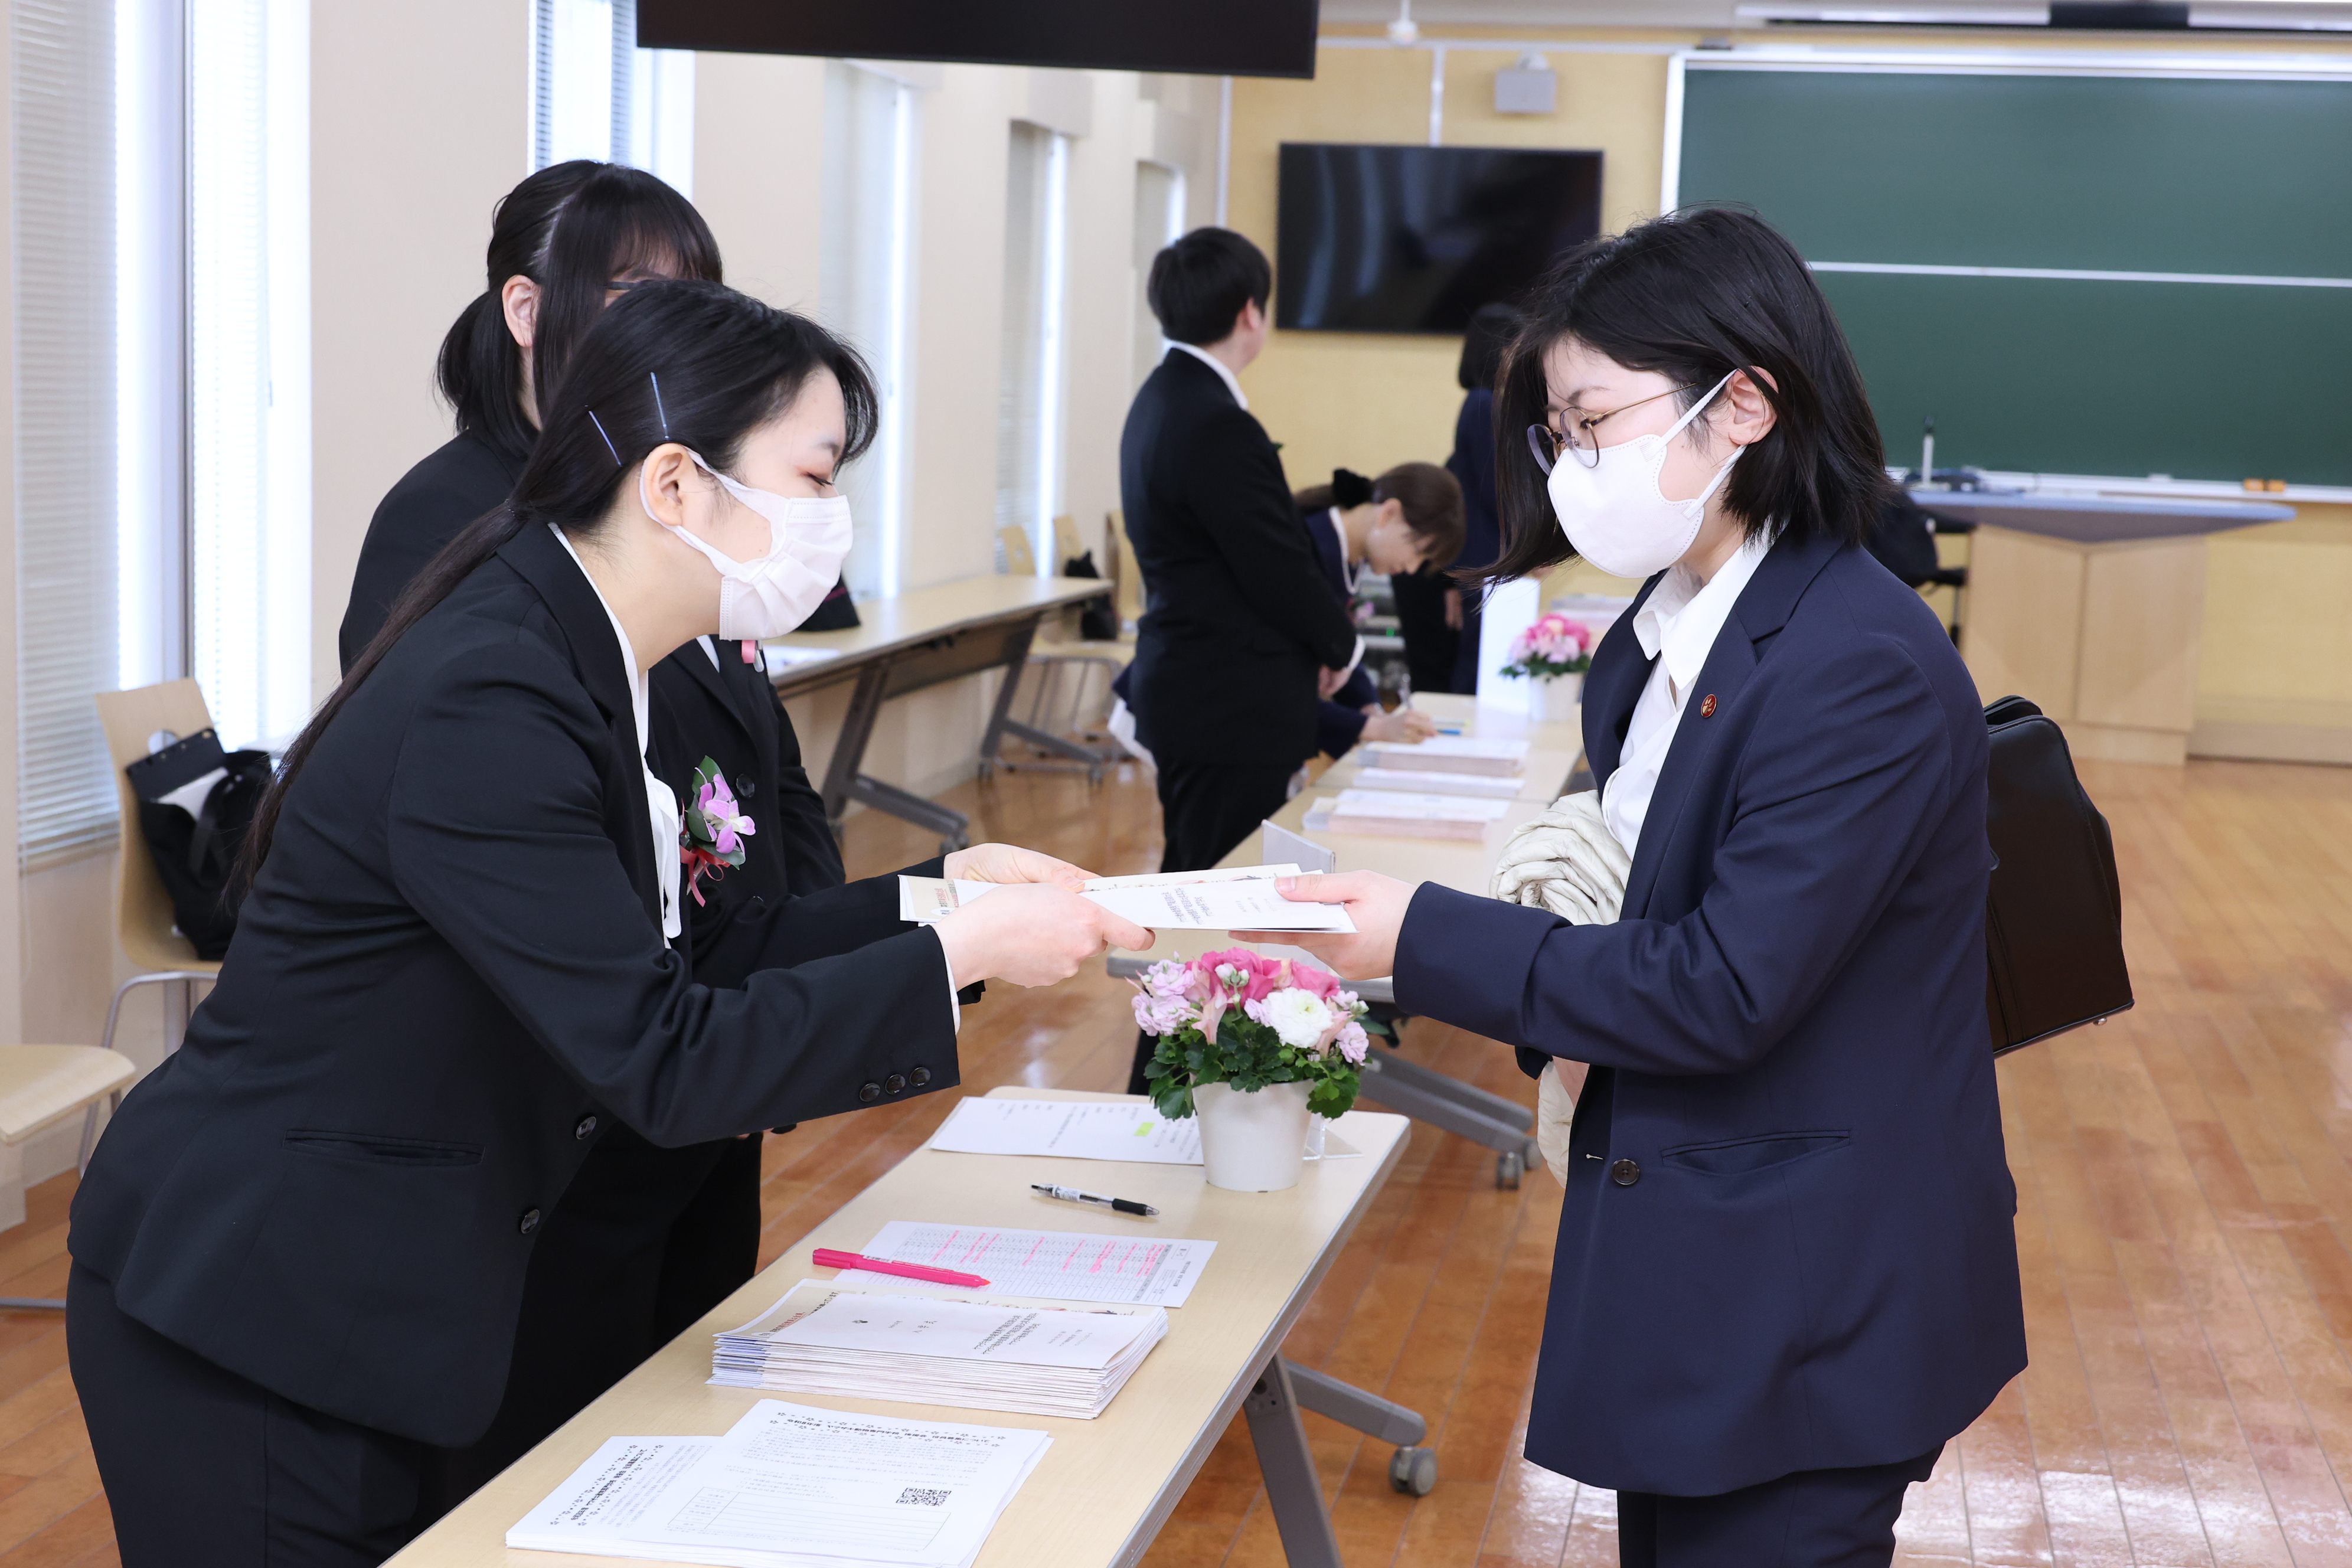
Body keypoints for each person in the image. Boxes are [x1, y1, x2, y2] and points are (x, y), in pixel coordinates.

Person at [67, 280, 1155, 1567]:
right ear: (676, 484)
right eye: (814, 478)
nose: (832, 522)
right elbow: (661, 1053)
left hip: (383, 1294)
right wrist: (959, 955)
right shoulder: (496, 688)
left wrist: (943, 897)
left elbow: (686, 958)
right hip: (260, 1304)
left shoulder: (588, 655)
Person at [1244, 208, 2025, 1567]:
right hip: (1704, 1261)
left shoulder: (1857, 662)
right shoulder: (1659, 638)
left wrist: (1417, 933)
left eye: (1594, 421)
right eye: (1557, 432)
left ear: (1745, 407)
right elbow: (1630, 914)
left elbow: (1723, 985)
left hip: (1811, 1293)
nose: (1572, 464)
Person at [332, 161, 852, 1506]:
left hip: (693, 1071)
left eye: (695, 296)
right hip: (574, 1105)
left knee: (658, 1455)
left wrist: (818, 950)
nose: (671, 325)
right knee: (542, 1473)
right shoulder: (467, 527)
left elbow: (766, 774)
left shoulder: (679, 512)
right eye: (634, 294)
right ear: (527, 310)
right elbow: (552, 849)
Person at [1120, 227, 1359, 876]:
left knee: (1199, 873)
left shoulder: (1160, 398)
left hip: (1197, 687)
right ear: (1251, 312)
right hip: (1225, 701)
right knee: (1218, 885)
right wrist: (1339, 645)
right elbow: (1275, 564)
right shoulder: (1215, 421)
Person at [1290, 465, 1464, 757]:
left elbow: (1341, 650)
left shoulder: (1347, 556)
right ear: (1389, 514)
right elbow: (1280, 685)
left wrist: (1369, 708)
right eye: (1418, 551)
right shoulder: (1306, 553)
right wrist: (1374, 727)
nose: (1411, 568)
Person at [1442, 302, 1518, 695]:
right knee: (1482, 661)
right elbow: (1496, 491)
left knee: (1482, 657)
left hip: (1482, 554)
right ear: (1496, 350)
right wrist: (1528, 543)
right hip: (1488, 555)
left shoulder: (1480, 402)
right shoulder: (1483, 404)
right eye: (1515, 349)